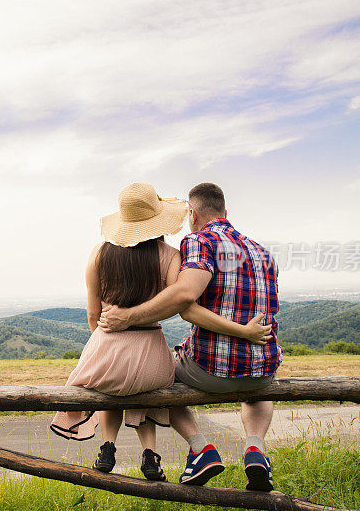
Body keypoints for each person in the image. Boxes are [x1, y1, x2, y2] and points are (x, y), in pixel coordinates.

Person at [50, 182, 272, 482]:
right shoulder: (255, 251)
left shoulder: (101, 254)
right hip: (259, 367)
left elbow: (97, 313)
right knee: (156, 380)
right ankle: (163, 454)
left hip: (110, 347)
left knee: (137, 383)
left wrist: (108, 338)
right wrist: (245, 333)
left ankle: (121, 446)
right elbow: (177, 300)